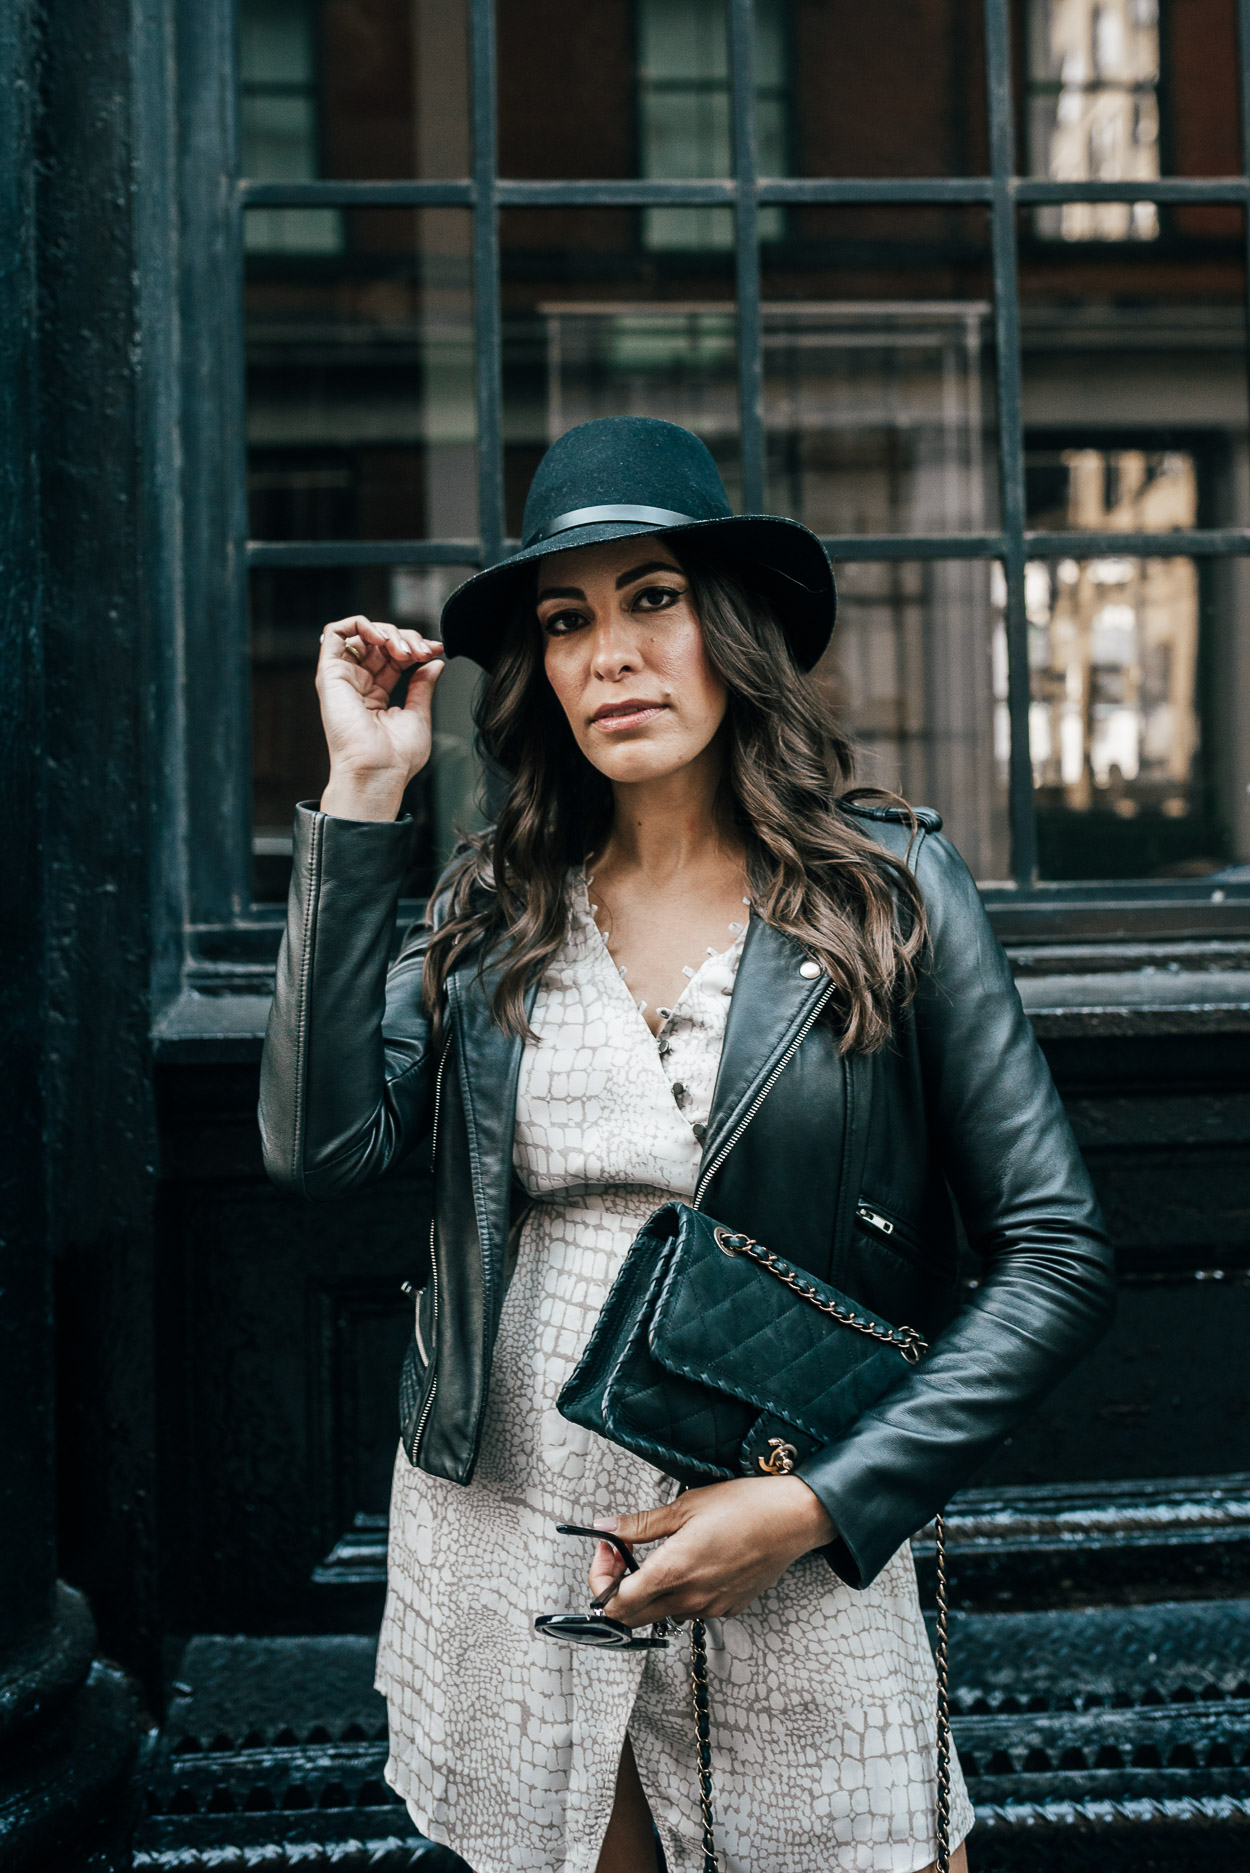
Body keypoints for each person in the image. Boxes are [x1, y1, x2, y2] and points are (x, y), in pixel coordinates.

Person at [259, 417, 1115, 1873]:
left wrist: (812, 1505)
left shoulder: (887, 889)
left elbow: (1053, 1252)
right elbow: (319, 1144)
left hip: (780, 1511)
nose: (609, 655)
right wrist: (363, 796)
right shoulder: (495, 903)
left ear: (730, 628)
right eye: (564, 621)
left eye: (651, 598)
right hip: (510, 1515)